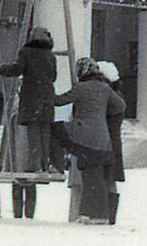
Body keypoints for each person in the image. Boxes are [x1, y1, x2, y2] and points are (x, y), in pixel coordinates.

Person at [52, 57, 124, 225]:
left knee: (54, 130)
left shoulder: (81, 87)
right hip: (103, 139)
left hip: (84, 134)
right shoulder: (105, 88)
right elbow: (120, 105)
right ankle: (101, 215)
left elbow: (59, 101)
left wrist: (46, 93)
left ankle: (54, 164)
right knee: (97, 176)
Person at [0, 26, 58, 219]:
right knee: (43, 134)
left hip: (32, 98)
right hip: (46, 98)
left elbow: (17, 70)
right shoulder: (51, 56)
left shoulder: (26, 52)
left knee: (32, 132)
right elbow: (53, 76)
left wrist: (3, 69)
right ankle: (43, 162)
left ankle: (34, 163)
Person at [98, 61, 127, 225]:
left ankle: (107, 215)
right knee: (110, 179)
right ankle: (109, 215)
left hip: (106, 140)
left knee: (105, 178)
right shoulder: (117, 96)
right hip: (113, 141)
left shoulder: (110, 97)